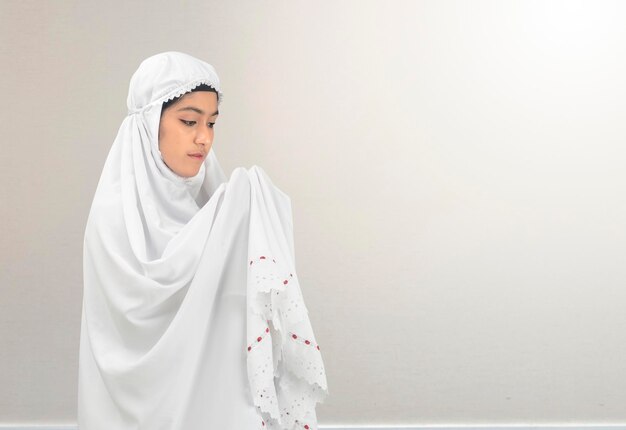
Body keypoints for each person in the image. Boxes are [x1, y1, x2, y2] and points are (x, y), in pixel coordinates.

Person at [77, 51, 328, 430]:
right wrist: (238, 203)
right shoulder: (115, 213)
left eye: (211, 123)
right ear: (149, 122)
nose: (204, 138)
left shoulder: (210, 201)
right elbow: (131, 319)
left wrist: (242, 203)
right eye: (189, 121)